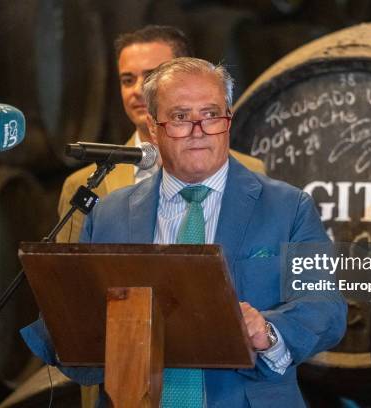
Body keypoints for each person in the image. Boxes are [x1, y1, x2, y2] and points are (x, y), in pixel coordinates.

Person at [23, 57, 346, 407]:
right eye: (180, 117)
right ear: (153, 125)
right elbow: (72, 323)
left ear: (228, 120)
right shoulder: (109, 212)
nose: (198, 130)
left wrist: (268, 330)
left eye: (210, 115)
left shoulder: (288, 207)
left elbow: (325, 306)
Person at [57, 25, 264, 243]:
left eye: (152, 76)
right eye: (128, 80)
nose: (137, 90)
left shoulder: (252, 172)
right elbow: (69, 272)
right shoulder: (85, 185)